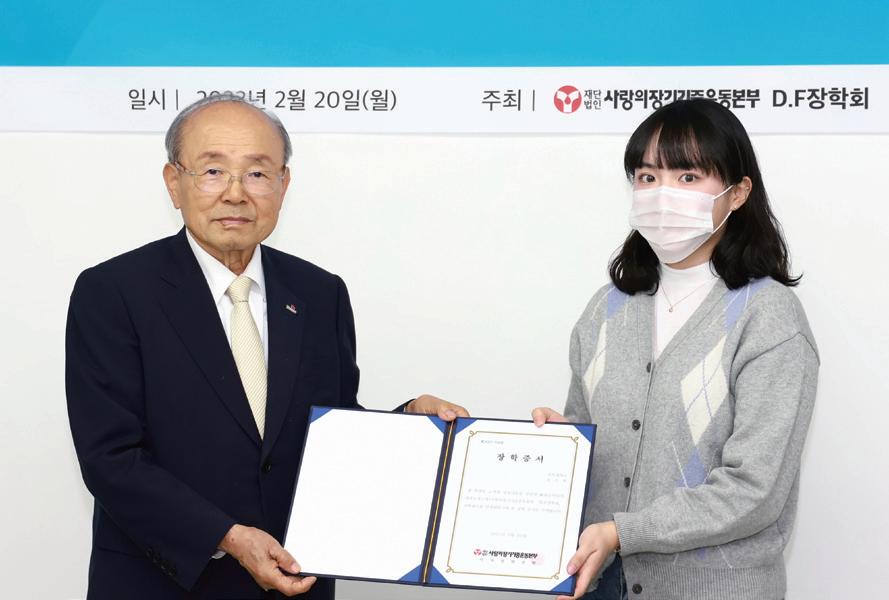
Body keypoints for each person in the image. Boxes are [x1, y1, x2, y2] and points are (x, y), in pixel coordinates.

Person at [65, 93, 466, 600]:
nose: (235, 193)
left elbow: (332, 435)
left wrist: (411, 424)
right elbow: (110, 459)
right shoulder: (114, 291)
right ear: (173, 182)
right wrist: (228, 537)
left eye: (257, 173)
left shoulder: (320, 293)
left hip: (296, 584)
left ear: (283, 184)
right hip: (162, 584)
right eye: (213, 171)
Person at [532, 99, 819, 600]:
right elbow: (592, 441)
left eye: (688, 177)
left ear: (738, 193)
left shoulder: (769, 317)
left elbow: (755, 489)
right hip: (602, 583)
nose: (663, 194)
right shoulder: (606, 309)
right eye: (648, 177)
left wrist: (624, 532)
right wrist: (562, 447)